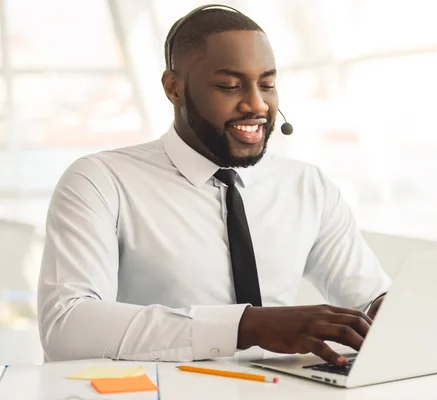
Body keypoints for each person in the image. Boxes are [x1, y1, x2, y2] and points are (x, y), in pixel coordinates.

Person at [38, 6, 390, 367]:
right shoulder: (100, 181)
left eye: (267, 84)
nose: (257, 104)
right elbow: (66, 328)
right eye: (229, 86)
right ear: (174, 89)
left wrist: (394, 312)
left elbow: (369, 299)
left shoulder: (307, 185)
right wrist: (244, 326)